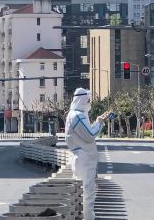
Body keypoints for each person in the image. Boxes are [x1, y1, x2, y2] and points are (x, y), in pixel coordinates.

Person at [66, 88, 110, 220]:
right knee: (87, 195)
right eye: (88, 100)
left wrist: (98, 121)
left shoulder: (75, 114)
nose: (89, 102)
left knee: (81, 194)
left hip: (81, 159)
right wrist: (99, 122)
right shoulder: (77, 116)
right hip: (84, 160)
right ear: (82, 100)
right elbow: (90, 135)